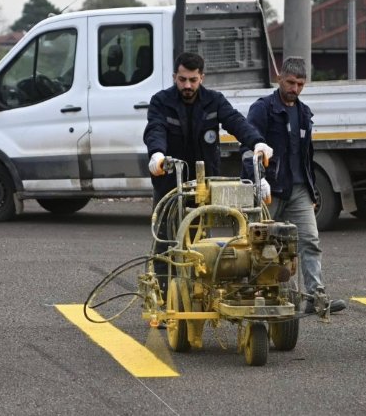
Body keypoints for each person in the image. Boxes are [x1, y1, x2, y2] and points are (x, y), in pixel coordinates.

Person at [143, 52, 273, 297]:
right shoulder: (161, 101)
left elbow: (236, 122)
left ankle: (197, 292)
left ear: (202, 77)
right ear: (174, 77)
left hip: (205, 185)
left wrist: (257, 142)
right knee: (166, 243)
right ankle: (163, 298)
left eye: (193, 80)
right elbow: (155, 128)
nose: (187, 86)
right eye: (182, 80)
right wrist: (157, 154)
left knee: (201, 242)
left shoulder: (214, 101)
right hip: (171, 184)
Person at [241, 57, 347, 315]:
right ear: (280, 79)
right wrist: (259, 180)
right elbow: (248, 149)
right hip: (270, 191)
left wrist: (311, 191)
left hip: (299, 190)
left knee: (310, 241)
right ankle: (251, 294)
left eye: (300, 84)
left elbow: (305, 157)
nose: (295, 89)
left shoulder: (303, 113)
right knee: (259, 245)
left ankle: (315, 297)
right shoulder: (262, 109)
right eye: (291, 82)